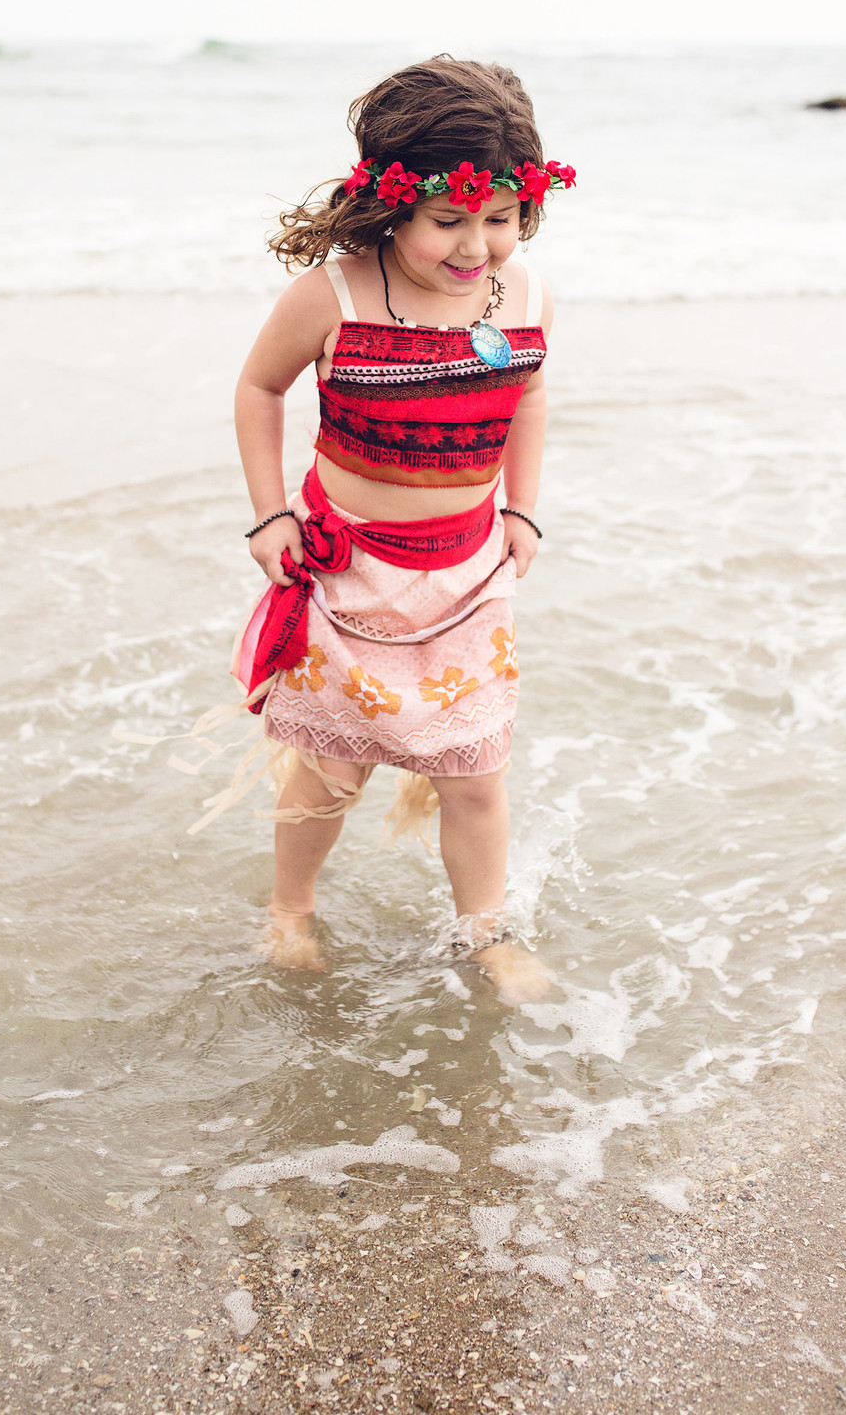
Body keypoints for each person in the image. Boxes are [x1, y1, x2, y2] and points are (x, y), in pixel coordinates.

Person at [232, 56, 575, 1001]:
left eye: (500, 217)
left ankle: (485, 933)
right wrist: (269, 515)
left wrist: (521, 508)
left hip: (468, 572)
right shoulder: (334, 296)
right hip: (349, 572)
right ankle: (290, 909)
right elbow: (259, 388)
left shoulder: (525, 295)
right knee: (332, 768)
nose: (476, 246)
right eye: (449, 219)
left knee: (476, 774)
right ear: (393, 205)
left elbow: (529, 393)